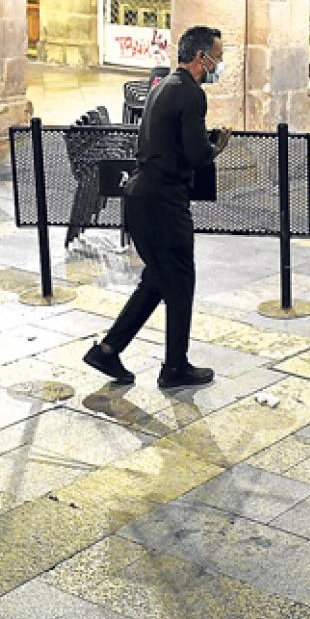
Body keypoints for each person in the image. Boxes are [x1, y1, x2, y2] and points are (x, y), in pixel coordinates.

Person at [84, 25, 231, 388]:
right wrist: (217, 146)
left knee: (157, 280)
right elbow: (196, 154)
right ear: (201, 58)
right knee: (180, 283)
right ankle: (174, 368)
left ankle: (107, 351)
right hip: (164, 202)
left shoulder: (161, 86)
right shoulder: (191, 94)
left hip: (141, 195)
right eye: (217, 58)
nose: (219, 65)